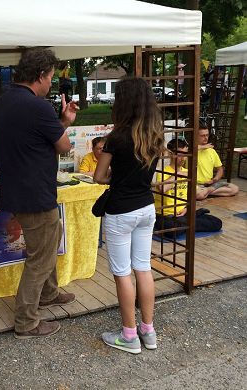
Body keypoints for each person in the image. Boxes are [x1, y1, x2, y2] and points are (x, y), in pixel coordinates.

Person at [0, 48, 78, 339]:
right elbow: (64, 146)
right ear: (41, 75)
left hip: (17, 192)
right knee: (40, 257)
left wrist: (62, 122)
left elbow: (39, 139)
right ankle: (26, 321)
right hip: (36, 193)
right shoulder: (38, 106)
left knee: (49, 240)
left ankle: (49, 293)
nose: (52, 83)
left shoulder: (5, 101)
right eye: (51, 78)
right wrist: (65, 124)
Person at [94, 76, 165, 354]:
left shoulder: (116, 137)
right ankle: (148, 330)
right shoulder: (155, 134)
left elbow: (100, 177)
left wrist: (115, 176)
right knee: (143, 267)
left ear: (123, 102)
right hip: (147, 208)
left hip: (120, 211)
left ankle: (128, 335)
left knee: (122, 273)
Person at [154, 139, 222, 238]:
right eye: (180, 155)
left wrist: (186, 208)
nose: (183, 158)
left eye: (185, 155)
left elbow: (192, 194)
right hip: (165, 216)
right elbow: (162, 189)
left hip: (183, 215)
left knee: (216, 222)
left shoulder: (187, 172)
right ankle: (192, 219)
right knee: (172, 230)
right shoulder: (163, 172)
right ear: (171, 154)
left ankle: (188, 222)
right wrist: (177, 174)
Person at [195, 120, 239, 200]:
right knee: (199, 195)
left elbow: (220, 169)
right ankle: (205, 192)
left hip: (210, 184)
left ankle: (206, 191)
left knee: (234, 188)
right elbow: (188, 150)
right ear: (196, 136)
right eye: (202, 136)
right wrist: (202, 147)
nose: (206, 138)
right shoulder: (190, 150)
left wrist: (214, 180)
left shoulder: (211, 151)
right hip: (196, 184)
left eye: (207, 135)